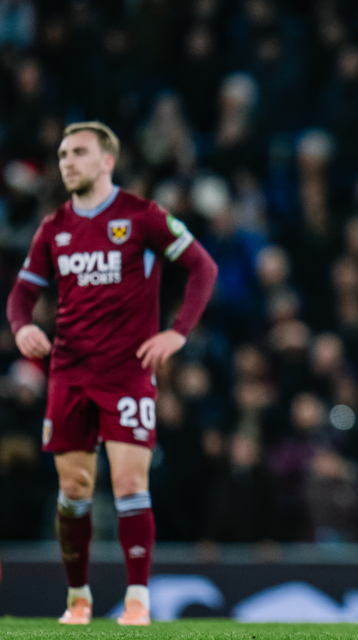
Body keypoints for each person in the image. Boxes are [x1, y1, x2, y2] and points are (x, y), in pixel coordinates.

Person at [5, 121, 218, 626]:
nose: (66, 162)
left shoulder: (142, 217)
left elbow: (202, 267)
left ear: (107, 161)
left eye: (78, 152)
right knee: (75, 489)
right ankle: (78, 597)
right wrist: (19, 327)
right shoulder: (54, 227)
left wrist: (177, 332)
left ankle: (138, 600)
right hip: (69, 375)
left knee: (128, 483)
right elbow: (22, 293)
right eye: (61, 154)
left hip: (126, 373)